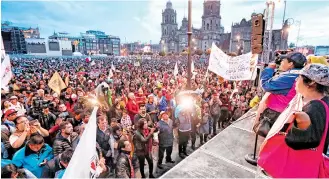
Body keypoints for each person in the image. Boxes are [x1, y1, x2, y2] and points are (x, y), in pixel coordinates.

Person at [255, 52, 306, 137]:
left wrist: (269, 69)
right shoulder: (300, 74)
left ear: (291, 64)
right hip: (287, 113)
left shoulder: (289, 77)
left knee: (270, 139)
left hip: (276, 115)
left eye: (283, 60)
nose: (281, 62)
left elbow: (266, 85)